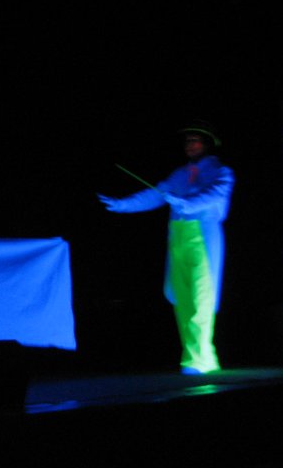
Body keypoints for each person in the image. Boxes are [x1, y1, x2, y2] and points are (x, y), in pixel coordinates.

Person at [97, 119, 234, 374]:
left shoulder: (221, 172)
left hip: (202, 236)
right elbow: (156, 194)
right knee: (181, 298)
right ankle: (197, 356)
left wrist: (186, 203)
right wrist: (123, 205)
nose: (189, 145)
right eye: (187, 141)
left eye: (195, 140)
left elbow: (214, 194)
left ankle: (200, 359)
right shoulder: (179, 174)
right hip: (178, 238)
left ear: (207, 144)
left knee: (201, 297)